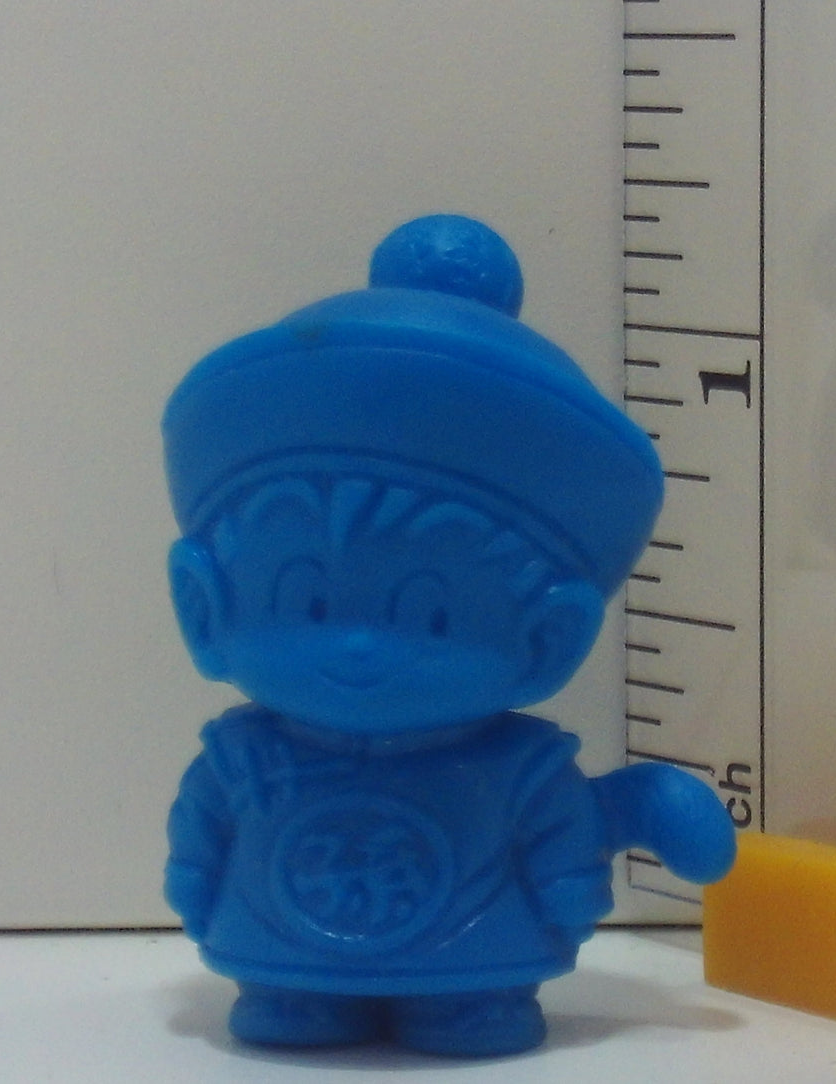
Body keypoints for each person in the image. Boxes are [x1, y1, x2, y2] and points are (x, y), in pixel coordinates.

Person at [160, 214, 735, 1056]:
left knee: (476, 1010)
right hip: (275, 946)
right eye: (308, 604)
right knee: (289, 1002)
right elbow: (202, 829)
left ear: (549, 640)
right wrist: (192, 877)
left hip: (481, 955)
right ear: (203, 608)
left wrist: (586, 868)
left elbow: (559, 835)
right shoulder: (242, 758)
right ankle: (295, 996)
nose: (357, 648)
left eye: (431, 619)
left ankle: (464, 1006)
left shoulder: (516, 771)